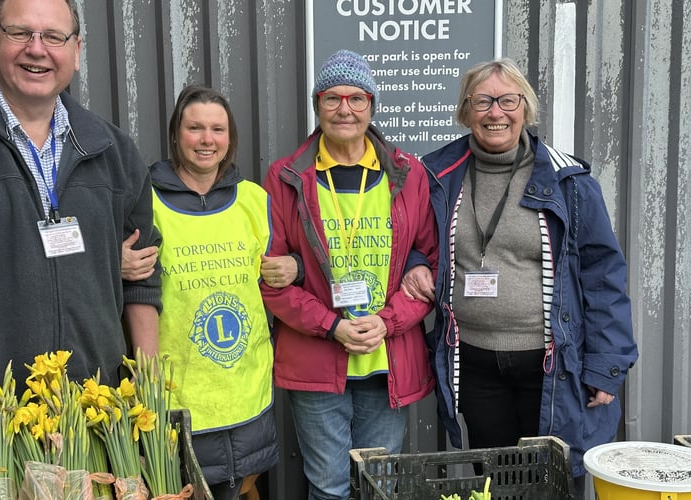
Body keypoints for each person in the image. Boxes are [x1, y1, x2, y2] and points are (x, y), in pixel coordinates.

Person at [0, 0, 161, 497]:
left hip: (92, 427)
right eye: (21, 33)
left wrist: (149, 398)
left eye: (54, 37)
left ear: (77, 51)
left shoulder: (112, 149)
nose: (37, 50)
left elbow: (145, 280)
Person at [401, 58, 638, 498]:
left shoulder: (570, 182)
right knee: (494, 481)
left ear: (525, 108)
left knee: (552, 479)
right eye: (483, 101)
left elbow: (603, 275)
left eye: (508, 100)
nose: (496, 112)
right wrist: (416, 258)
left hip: (552, 369)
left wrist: (606, 365)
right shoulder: (435, 176)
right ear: (465, 111)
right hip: (474, 364)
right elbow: (410, 234)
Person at [261, 49, 439, 500]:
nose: (345, 109)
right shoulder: (285, 178)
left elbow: (429, 262)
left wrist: (388, 320)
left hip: (387, 355)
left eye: (357, 98)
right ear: (317, 105)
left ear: (372, 106)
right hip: (317, 355)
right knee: (329, 488)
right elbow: (270, 279)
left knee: (380, 486)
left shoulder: (407, 174)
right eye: (333, 98)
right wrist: (333, 326)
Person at [121, 85, 295, 500]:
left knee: (241, 489)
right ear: (176, 134)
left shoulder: (255, 200)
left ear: (230, 137)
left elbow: (293, 268)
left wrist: (296, 267)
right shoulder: (146, 200)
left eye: (217, 129)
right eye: (195, 127)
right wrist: (116, 265)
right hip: (179, 397)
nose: (206, 139)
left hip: (246, 393)